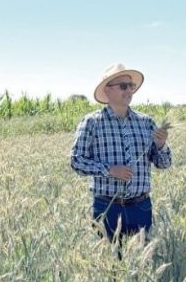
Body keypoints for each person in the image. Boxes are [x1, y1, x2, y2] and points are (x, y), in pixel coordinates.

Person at [70, 63, 171, 248]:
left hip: (141, 207)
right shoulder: (92, 122)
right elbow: (76, 161)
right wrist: (109, 170)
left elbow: (164, 164)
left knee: (142, 264)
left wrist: (161, 144)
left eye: (131, 86)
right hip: (107, 208)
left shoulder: (146, 122)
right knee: (109, 265)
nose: (129, 91)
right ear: (107, 90)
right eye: (123, 86)